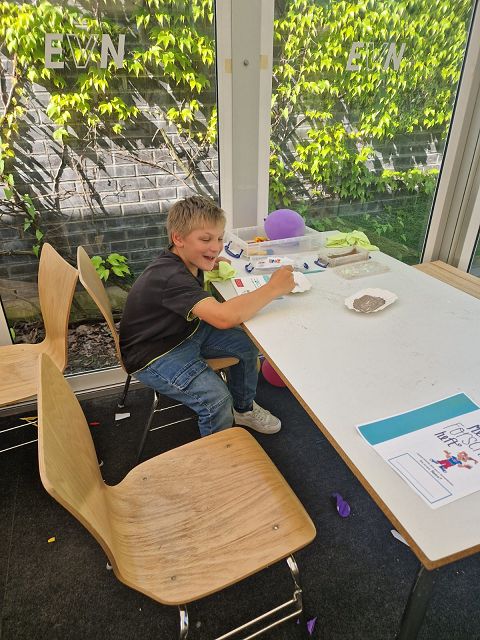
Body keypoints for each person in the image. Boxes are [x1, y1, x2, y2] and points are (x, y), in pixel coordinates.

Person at [119, 195, 295, 437]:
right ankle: (220, 450)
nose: (215, 247)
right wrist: (273, 288)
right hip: (154, 354)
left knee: (247, 345)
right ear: (178, 239)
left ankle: (243, 410)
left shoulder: (185, 259)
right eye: (205, 239)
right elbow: (224, 317)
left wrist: (210, 261)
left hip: (183, 331)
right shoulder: (171, 277)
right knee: (217, 401)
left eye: (219, 238)